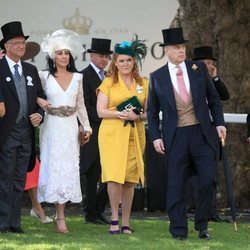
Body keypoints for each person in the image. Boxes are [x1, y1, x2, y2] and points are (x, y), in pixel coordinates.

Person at [147, 27, 227, 240]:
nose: (181, 50)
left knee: (208, 180)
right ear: (167, 51)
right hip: (176, 137)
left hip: (202, 134)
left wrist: (219, 123)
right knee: (176, 184)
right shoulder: (157, 77)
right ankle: (179, 230)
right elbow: (152, 112)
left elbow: (214, 98)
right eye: (176, 47)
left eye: (182, 46)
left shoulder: (198, 68)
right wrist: (155, 136)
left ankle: (202, 225)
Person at [37, 29, 92, 234]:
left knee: (68, 168)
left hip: (70, 128)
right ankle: (42, 209)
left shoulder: (78, 77)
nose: (63, 56)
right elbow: (33, 95)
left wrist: (86, 127)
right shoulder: (43, 76)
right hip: (51, 126)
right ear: (52, 55)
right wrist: (38, 100)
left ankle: (60, 216)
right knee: (53, 168)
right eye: (59, 52)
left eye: (66, 53)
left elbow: (81, 106)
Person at [96, 36, 148, 234]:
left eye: (129, 60)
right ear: (115, 63)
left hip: (135, 134)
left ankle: (126, 222)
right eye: (121, 60)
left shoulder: (143, 82)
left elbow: (146, 113)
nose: (125, 64)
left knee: (130, 179)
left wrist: (137, 116)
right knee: (114, 177)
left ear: (134, 61)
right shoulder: (108, 82)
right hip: (112, 134)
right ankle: (114, 220)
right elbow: (101, 111)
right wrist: (121, 114)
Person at [0, 21, 46, 234]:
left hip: (26, 132)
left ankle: (14, 222)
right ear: (6, 46)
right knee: (5, 179)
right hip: (6, 132)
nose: (21, 46)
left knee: (20, 180)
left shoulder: (30, 69)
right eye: (17, 43)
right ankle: (2, 222)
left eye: (23, 42)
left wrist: (39, 113)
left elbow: (40, 98)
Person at [185, 46, 230, 222]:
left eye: (211, 63)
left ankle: (211, 211)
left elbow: (224, 96)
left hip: (212, 130)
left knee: (211, 173)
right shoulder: (190, 80)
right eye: (205, 63)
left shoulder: (212, 79)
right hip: (195, 129)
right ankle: (192, 209)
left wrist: (215, 78)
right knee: (194, 174)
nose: (208, 66)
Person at [80, 38, 113, 225]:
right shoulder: (84, 75)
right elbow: (85, 105)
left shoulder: (109, 76)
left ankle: (97, 208)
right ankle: (90, 212)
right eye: (101, 56)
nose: (104, 59)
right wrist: (106, 116)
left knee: (109, 170)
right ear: (92, 55)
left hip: (109, 130)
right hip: (93, 128)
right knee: (92, 171)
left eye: (107, 56)